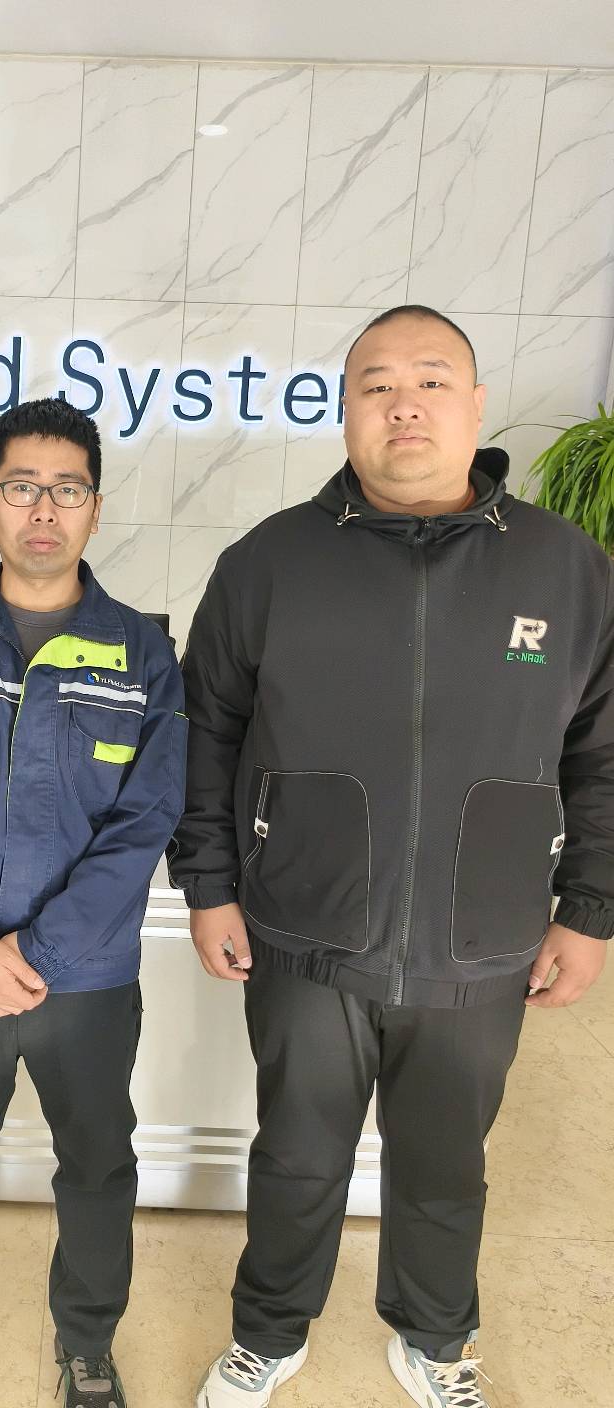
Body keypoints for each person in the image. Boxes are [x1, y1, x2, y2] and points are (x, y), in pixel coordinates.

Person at [169, 304, 612, 1408]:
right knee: (296, 1157)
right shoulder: (268, 563)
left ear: (476, 406)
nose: (403, 405)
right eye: (375, 385)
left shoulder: (568, 571)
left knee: (445, 1167)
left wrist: (590, 907)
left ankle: (435, 1336)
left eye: (430, 381)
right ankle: (268, 1333)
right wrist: (209, 888)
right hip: (305, 931)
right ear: (345, 411)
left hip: (482, 939)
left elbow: (603, 754)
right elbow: (205, 734)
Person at [0, 397, 186, 1408]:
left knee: (95, 1162)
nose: (43, 509)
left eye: (66, 489)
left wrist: (39, 952)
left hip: (85, 980)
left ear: (96, 508)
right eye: (22, 487)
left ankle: (86, 1343)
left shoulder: (141, 654)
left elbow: (145, 820)